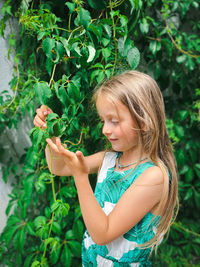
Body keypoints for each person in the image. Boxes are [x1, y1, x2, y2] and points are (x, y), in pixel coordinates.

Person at [33, 70, 179, 266]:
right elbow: (58, 168)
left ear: (144, 121)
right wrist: (49, 133)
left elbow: (103, 234)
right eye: (103, 120)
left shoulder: (153, 176)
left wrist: (81, 177)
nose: (105, 130)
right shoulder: (109, 159)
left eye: (114, 121)